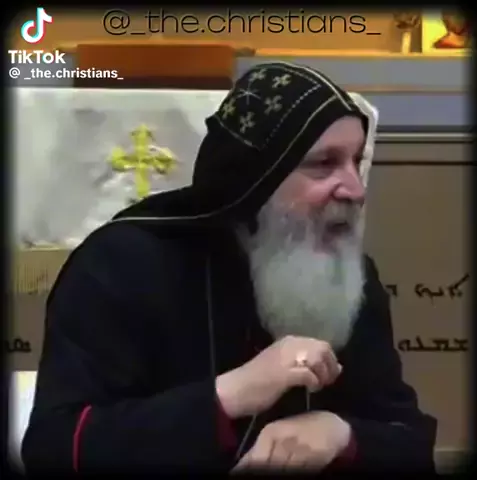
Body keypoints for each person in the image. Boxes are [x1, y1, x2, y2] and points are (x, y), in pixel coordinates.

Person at [21, 62, 437, 474]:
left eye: (356, 160)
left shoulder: (345, 275)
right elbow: (55, 448)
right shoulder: (120, 264)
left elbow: (410, 440)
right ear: (257, 176)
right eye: (324, 163)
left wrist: (341, 435)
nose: (355, 189)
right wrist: (229, 396)